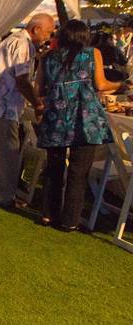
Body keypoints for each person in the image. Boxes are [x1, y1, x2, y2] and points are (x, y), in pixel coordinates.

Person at [35, 20, 119, 230]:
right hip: (84, 118)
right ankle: (70, 220)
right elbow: (101, 84)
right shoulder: (92, 54)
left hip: (56, 116)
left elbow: (39, 89)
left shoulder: (48, 58)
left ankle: (48, 214)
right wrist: (121, 84)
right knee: (78, 172)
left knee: (54, 168)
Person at [0, 13, 56, 208]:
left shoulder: (11, 39)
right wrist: (37, 103)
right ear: (36, 29)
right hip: (3, 104)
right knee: (6, 152)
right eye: (47, 32)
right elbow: (22, 80)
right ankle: (4, 196)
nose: (48, 37)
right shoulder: (23, 45)